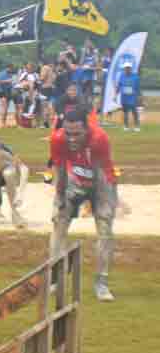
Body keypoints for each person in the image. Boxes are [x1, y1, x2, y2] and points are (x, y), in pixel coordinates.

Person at [49, 105, 117, 301]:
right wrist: (60, 197)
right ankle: (55, 278)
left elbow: (100, 173)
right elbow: (59, 169)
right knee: (58, 223)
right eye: (68, 133)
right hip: (74, 181)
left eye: (77, 134)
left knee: (104, 229)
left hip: (102, 181)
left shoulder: (99, 138)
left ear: (86, 128)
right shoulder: (58, 138)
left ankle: (101, 283)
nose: (71, 138)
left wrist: (101, 205)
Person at [117, 62, 141, 132]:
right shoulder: (121, 76)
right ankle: (126, 126)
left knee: (134, 112)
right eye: (126, 68)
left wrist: (139, 96)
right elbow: (119, 86)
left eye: (128, 68)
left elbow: (138, 88)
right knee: (125, 112)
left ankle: (137, 126)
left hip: (133, 97)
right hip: (124, 97)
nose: (127, 69)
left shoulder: (135, 77)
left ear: (131, 69)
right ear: (124, 69)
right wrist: (115, 95)